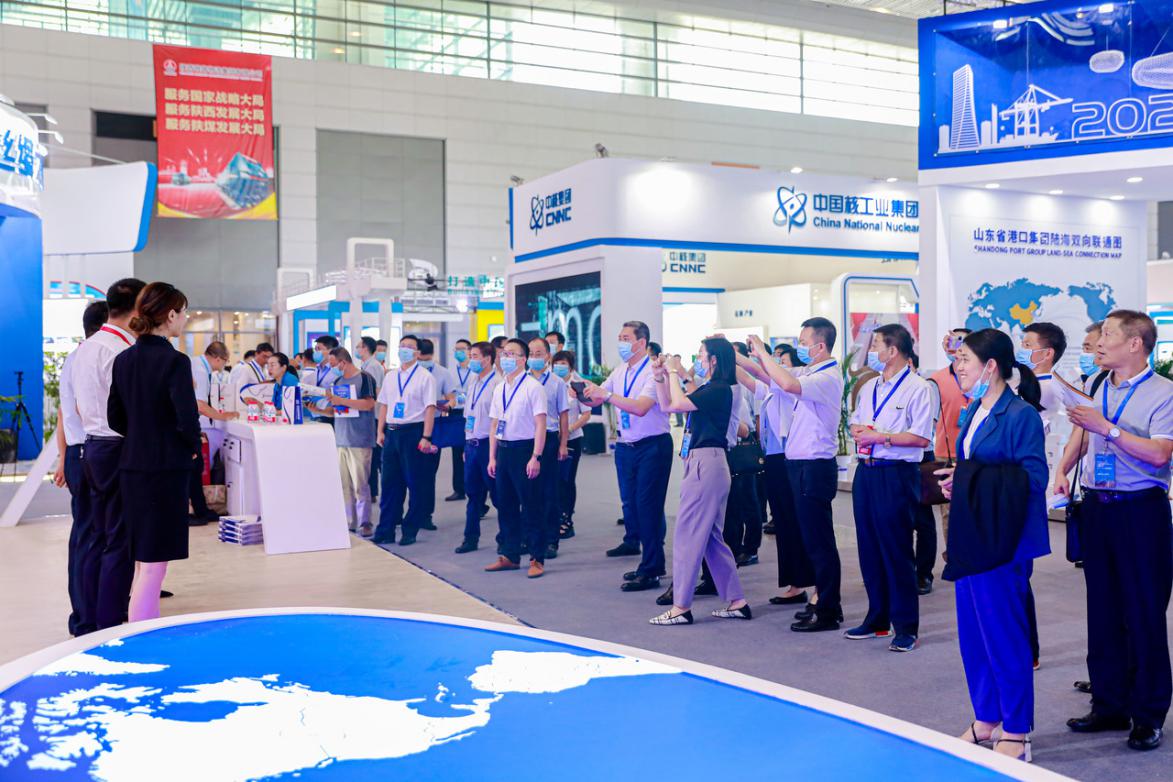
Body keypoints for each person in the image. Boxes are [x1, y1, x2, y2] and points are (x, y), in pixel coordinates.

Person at [1055, 310, 1173, 752]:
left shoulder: (1164, 393)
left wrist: (1108, 428)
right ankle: (1109, 705)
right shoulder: (1097, 383)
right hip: (1097, 508)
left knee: (1143, 613)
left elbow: (1160, 454)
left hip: (1140, 511)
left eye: (1107, 335)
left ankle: (1148, 715)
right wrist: (1063, 469)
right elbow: (1083, 435)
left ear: (1136, 343)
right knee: (1102, 611)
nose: (1098, 342)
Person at [938, 328, 1048, 763]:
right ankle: (986, 718)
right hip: (973, 536)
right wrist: (958, 483)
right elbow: (975, 469)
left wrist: (969, 479)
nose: (957, 366)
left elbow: (1033, 479)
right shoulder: (973, 410)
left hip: (1004, 542)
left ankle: (1017, 729)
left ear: (991, 366)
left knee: (1004, 637)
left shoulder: (1020, 415)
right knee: (974, 635)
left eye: (964, 358)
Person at [108, 282, 202, 623]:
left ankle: (143, 627)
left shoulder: (123, 359)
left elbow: (115, 417)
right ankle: (143, 635)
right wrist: (191, 448)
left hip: (132, 467)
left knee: (143, 560)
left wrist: (142, 435)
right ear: (171, 314)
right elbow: (187, 418)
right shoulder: (175, 362)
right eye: (184, 312)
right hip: (165, 470)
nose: (186, 319)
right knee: (154, 565)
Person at [745, 319, 844, 632]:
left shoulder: (827, 377)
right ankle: (823, 602)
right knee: (811, 539)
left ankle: (828, 609)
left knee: (819, 542)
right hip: (800, 465)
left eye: (803, 342)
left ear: (820, 346)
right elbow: (770, 376)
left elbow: (787, 384)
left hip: (814, 467)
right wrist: (749, 356)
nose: (800, 346)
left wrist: (763, 353)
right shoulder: (811, 372)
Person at [648, 339, 750, 625]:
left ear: (714, 360)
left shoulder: (720, 389)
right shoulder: (709, 389)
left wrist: (673, 370)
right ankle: (737, 601)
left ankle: (681, 606)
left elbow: (679, 401)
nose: (698, 360)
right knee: (711, 539)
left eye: (701, 355)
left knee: (687, 535)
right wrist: (661, 377)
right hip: (704, 463)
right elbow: (669, 405)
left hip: (706, 463)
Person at [846, 324, 933, 652]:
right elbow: (856, 419)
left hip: (896, 474)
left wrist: (880, 437)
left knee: (896, 550)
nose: (871, 352)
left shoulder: (918, 388)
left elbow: (921, 438)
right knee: (869, 548)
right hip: (866, 472)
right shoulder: (870, 386)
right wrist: (859, 430)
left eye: (876, 346)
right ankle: (877, 618)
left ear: (893, 350)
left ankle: (906, 627)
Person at [73, 277, 146, 630]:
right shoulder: (121, 351)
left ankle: (90, 619)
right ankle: (111, 625)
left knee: (97, 538)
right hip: (118, 448)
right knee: (120, 542)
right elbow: (131, 409)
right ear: (136, 310)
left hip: (93, 447)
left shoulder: (87, 347)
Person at [585, 321, 672, 593]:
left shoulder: (653, 371)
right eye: (620, 337)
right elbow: (598, 399)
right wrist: (582, 392)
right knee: (632, 505)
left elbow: (641, 407)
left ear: (641, 343)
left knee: (648, 506)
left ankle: (652, 568)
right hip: (626, 446)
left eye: (626, 338)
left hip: (652, 446)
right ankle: (649, 561)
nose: (621, 343)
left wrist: (606, 394)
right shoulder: (621, 370)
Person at [740, 339, 812, 607]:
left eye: (782, 362)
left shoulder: (794, 383)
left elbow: (759, 371)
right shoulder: (773, 389)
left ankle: (814, 584)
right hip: (773, 458)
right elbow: (749, 378)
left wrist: (757, 352)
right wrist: (728, 356)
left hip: (789, 458)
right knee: (784, 523)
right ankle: (795, 584)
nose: (778, 365)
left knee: (798, 522)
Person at [54, 300, 109, 636]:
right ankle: (87, 619)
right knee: (90, 537)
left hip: (80, 452)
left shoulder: (77, 357)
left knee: (88, 535)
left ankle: (90, 613)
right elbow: (77, 410)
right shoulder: (87, 358)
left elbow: (64, 414)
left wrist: (63, 458)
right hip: (89, 452)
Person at [485, 338, 549, 578]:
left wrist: (536, 456)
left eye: (511, 354)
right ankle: (510, 555)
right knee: (506, 505)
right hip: (504, 450)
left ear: (523, 359)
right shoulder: (500, 388)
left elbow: (540, 424)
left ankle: (537, 558)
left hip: (525, 450)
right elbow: (494, 424)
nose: (505, 358)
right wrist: (492, 457)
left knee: (531, 506)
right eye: (504, 354)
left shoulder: (533, 387)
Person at [373, 335, 437, 546]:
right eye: (402, 346)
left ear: (417, 353)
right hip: (392, 432)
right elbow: (384, 404)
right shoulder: (391, 376)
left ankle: (410, 529)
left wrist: (426, 437)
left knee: (415, 484)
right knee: (389, 483)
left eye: (409, 347)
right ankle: (386, 530)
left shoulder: (425, 377)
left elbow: (430, 408)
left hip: (414, 432)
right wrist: (380, 431)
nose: (404, 350)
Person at [322, 348, 378, 537]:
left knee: (360, 484)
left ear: (343, 362)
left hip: (360, 439)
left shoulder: (365, 378)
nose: (331, 368)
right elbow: (336, 410)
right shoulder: (338, 382)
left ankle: (365, 522)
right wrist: (317, 409)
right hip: (341, 439)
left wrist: (341, 400)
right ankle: (349, 521)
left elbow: (369, 404)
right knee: (344, 485)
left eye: (333, 364)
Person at [928, 327, 971, 558]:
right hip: (945, 452)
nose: (956, 347)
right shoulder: (936, 379)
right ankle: (953, 556)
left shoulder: (980, 377)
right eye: (952, 341)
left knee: (973, 506)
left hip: (974, 453)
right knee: (948, 511)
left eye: (962, 342)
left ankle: (971, 553)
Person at [527, 337, 570, 560]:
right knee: (527, 492)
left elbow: (564, 415)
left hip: (550, 439)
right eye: (530, 354)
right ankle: (530, 537)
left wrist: (563, 444)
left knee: (549, 492)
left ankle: (551, 540)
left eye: (538, 353)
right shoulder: (521, 380)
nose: (534, 357)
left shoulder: (557, 382)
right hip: (526, 440)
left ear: (547, 356)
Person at [189, 341, 238, 526]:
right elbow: (200, 405)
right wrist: (222, 416)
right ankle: (199, 512)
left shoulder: (197, 364)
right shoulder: (201, 371)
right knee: (194, 468)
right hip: (187, 424)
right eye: (225, 361)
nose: (224, 365)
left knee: (195, 468)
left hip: (187, 423)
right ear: (218, 358)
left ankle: (202, 510)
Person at [456, 341, 499, 554]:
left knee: (499, 496)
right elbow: (469, 416)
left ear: (487, 359)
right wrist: (466, 445)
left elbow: (498, 421)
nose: (470, 360)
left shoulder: (498, 384)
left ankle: (510, 538)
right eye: (470, 356)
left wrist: (494, 453)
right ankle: (470, 538)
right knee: (473, 495)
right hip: (472, 445)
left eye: (474, 356)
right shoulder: (473, 382)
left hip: (489, 446)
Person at [416, 338, 456, 530]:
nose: (422, 362)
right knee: (408, 473)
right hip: (411, 426)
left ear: (432, 355)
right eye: (420, 359)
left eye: (425, 359)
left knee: (428, 472)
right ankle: (407, 514)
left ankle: (425, 515)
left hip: (434, 427)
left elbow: (452, 398)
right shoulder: (407, 373)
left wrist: (447, 405)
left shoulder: (443, 373)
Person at [553, 350, 591, 540]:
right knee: (553, 481)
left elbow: (586, 414)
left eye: (563, 364)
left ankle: (566, 520)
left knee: (566, 481)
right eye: (556, 363)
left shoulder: (578, 385)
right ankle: (554, 518)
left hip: (572, 439)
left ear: (571, 366)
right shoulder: (550, 383)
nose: (559, 367)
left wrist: (569, 430)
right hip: (552, 439)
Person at [355, 337, 385, 503]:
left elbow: (374, 392)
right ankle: (370, 489)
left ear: (365, 348)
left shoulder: (372, 366)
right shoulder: (366, 366)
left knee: (373, 457)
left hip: (373, 416)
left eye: (358, 346)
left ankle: (372, 490)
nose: (357, 349)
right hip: (369, 415)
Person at [446, 338, 474, 502]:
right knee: (457, 452)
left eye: (462, 349)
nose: (458, 352)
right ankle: (459, 489)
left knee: (472, 451)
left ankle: (475, 489)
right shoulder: (450, 371)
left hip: (471, 414)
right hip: (456, 413)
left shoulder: (475, 371)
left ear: (469, 351)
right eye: (456, 349)